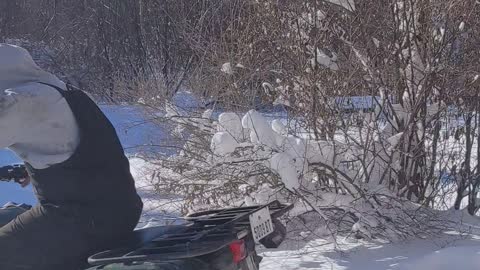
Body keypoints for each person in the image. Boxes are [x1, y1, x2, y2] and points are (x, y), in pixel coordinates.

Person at [0, 44, 143, 270]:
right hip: (113, 211)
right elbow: (65, 144)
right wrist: (27, 169)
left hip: (80, 220)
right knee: (11, 212)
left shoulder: (21, 100)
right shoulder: (58, 91)